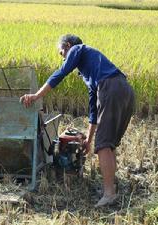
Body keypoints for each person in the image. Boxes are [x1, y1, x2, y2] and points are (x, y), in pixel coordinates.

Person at [20, 34, 135, 207]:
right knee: (109, 144)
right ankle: (111, 187)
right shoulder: (92, 70)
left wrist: (37, 96)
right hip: (125, 91)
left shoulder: (77, 49)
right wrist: (88, 140)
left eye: (62, 54)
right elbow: (93, 110)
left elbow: (61, 73)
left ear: (67, 46)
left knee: (103, 145)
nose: (64, 58)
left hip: (111, 89)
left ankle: (109, 193)